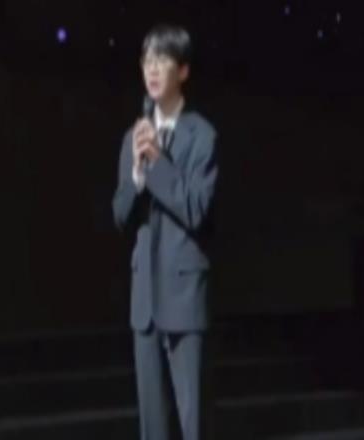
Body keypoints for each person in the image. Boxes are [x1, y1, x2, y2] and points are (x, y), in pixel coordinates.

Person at [112, 23, 219, 440]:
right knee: (152, 427)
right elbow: (121, 215)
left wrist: (157, 164)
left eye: (162, 60)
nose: (152, 69)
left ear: (183, 70)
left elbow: (195, 209)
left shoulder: (202, 136)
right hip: (145, 302)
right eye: (147, 61)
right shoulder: (134, 137)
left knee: (194, 423)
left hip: (184, 296)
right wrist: (138, 177)